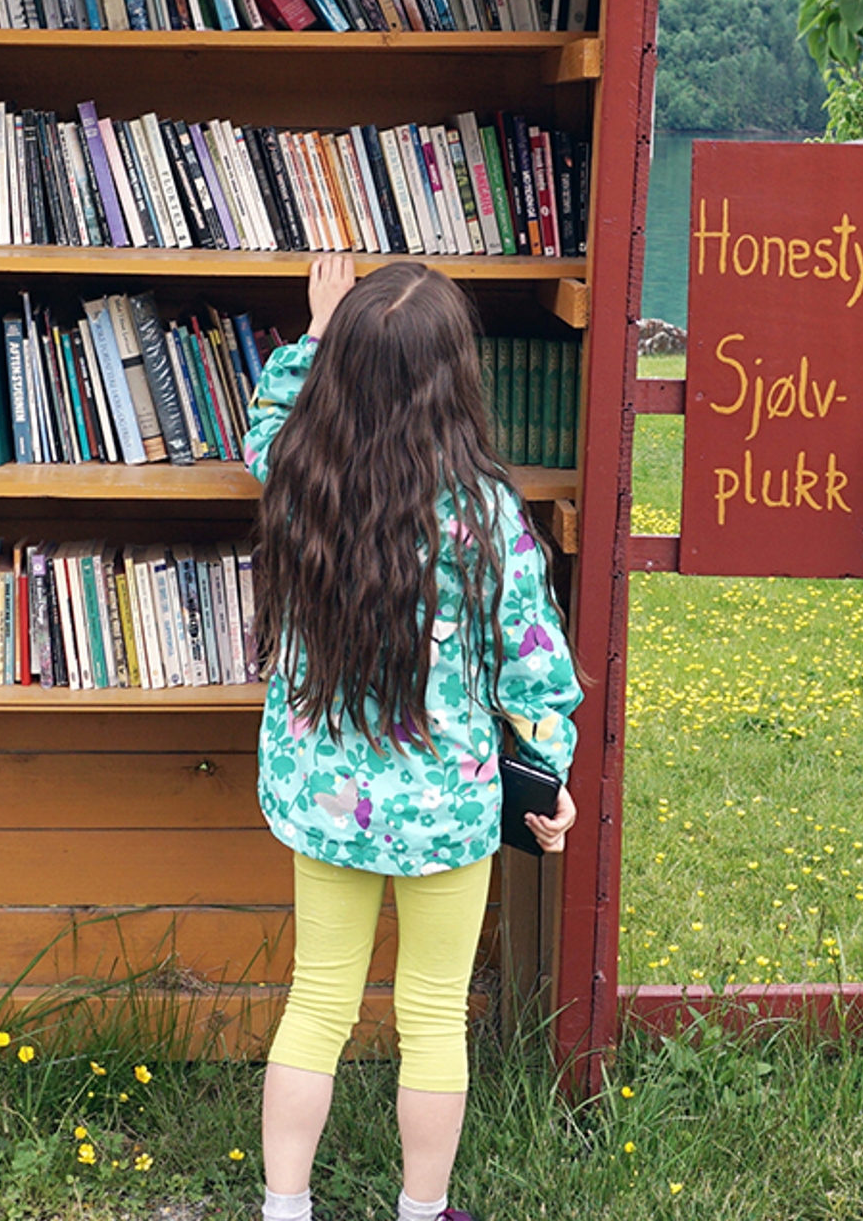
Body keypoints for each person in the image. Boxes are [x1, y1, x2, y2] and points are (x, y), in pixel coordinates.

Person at [243, 255, 580, 1221]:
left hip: (327, 805)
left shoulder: (302, 484)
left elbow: (263, 432)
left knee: (316, 1005)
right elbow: (538, 673)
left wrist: (311, 333)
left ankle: (285, 1208)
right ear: (455, 381)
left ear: (341, 373)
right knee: (434, 1017)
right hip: (446, 814)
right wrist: (546, 770)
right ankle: (423, 1213)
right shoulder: (487, 518)